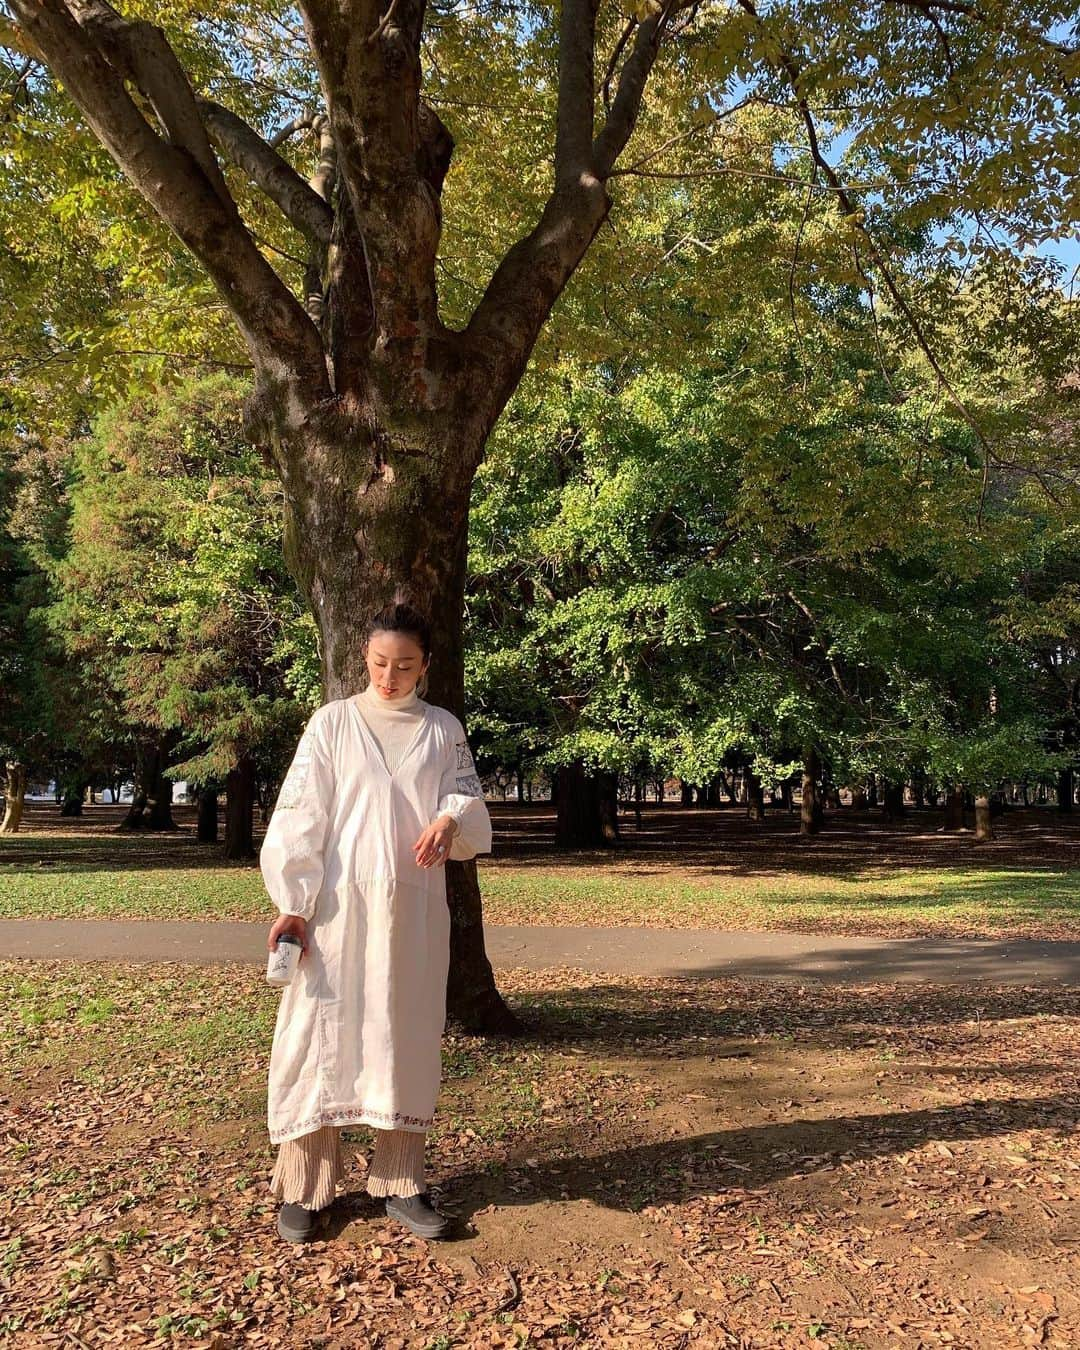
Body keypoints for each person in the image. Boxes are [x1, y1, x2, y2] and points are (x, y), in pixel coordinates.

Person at [261, 597, 493, 1244]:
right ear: (363, 658)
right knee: (319, 1035)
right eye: (379, 662)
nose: (390, 676)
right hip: (335, 912)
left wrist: (449, 820)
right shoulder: (332, 724)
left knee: (404, 1038)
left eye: (405, 664)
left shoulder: (442, 728)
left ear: (426, 666)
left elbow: (467, 800)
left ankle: (400, 1182)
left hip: (413, 911)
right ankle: (306, 1186)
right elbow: (300, 815)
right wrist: (293, 903)